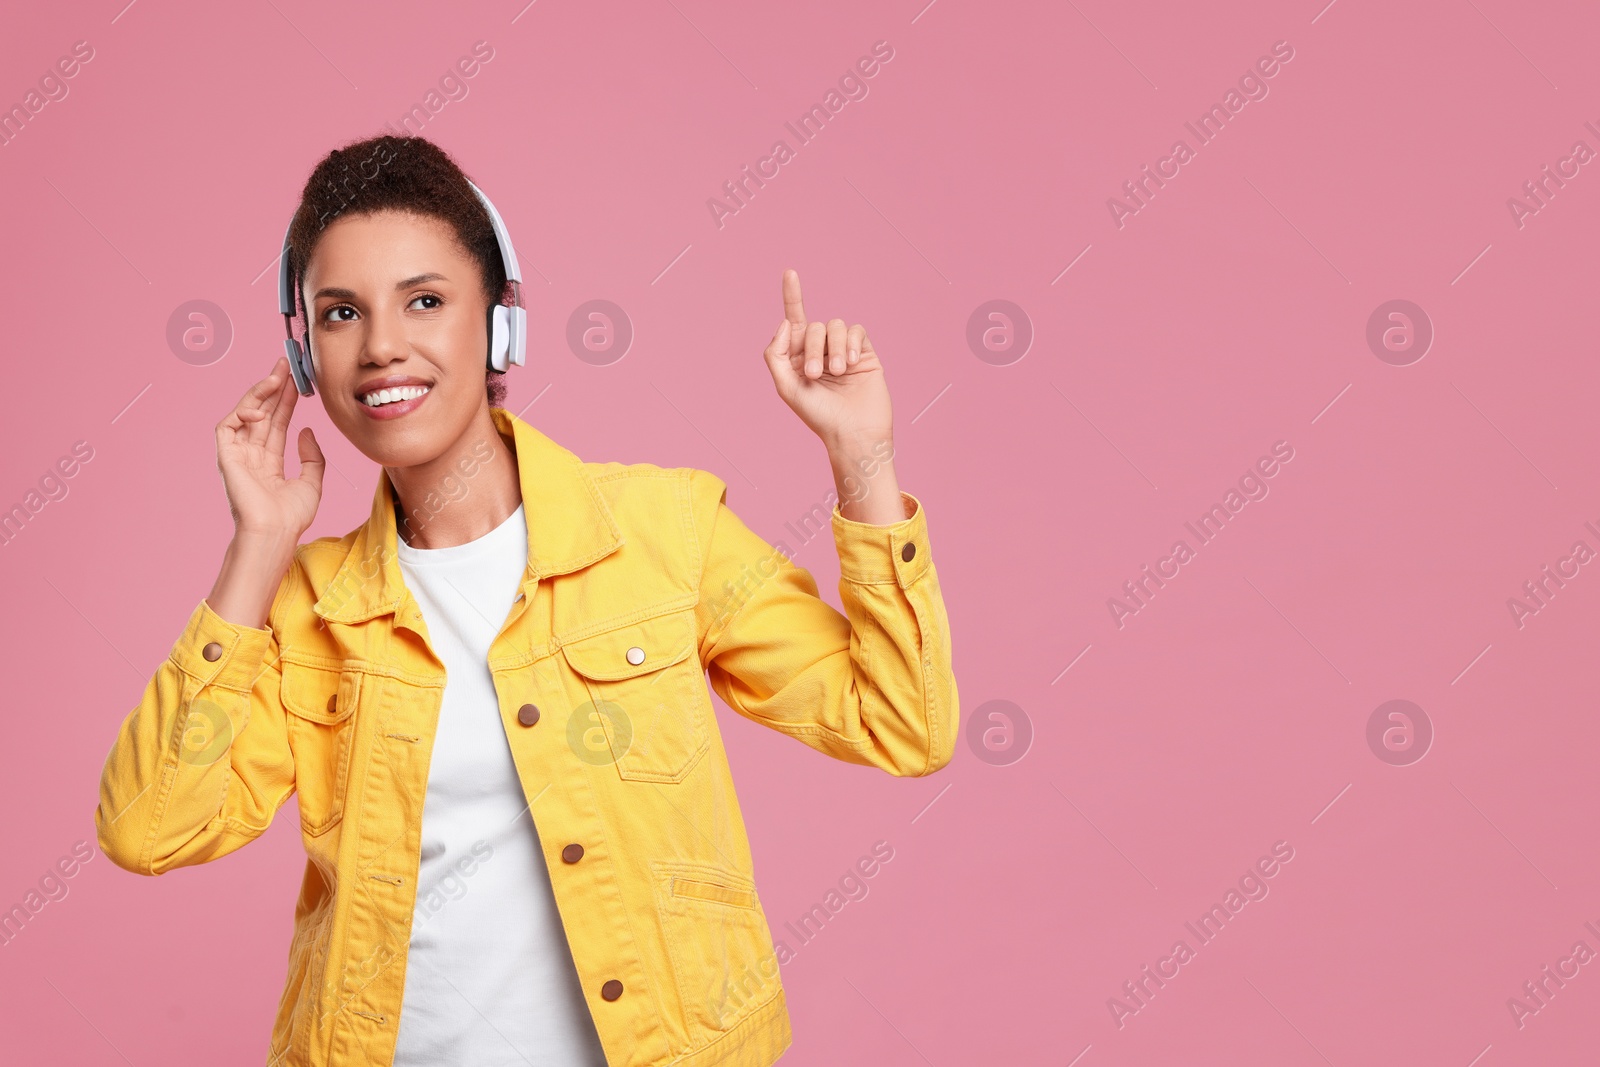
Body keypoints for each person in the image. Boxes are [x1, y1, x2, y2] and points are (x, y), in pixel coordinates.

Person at [93, 133, 959, 1067]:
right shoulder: (308, 606)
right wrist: (258, 544)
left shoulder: (664, 531)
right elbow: (148, 827)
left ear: (499, 324)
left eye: (425, 300)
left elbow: (902, 723)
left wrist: (862, 459)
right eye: (341, 313)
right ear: (306, 357)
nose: (383, 345)